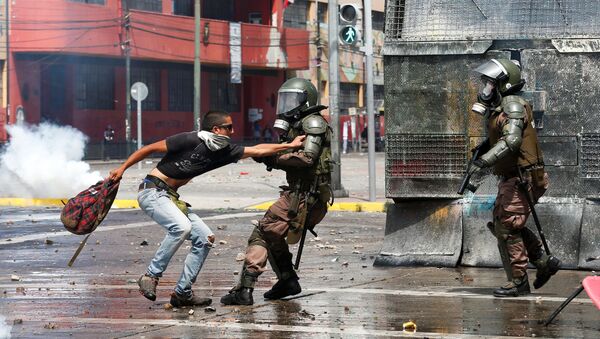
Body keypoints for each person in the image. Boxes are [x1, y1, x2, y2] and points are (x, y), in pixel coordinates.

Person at [108, 110, 306, 307]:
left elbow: (258, 149)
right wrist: (122, 169)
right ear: (216, 129)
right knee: (182, 227)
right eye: (229, 127)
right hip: (152, 191)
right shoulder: (189, 140)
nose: (233, 131)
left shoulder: (225, 151)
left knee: (205, 238)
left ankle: (182, 294)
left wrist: (290, 145)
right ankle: (150, 276)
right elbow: (149, 149)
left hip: (171, 197)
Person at [221, 78, 332, 306]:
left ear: (306, 99)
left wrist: (273, 158)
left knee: (262, 233)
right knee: (273, 235)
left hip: (302, 197)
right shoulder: (300, 123)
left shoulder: (312, 123)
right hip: (301, 195)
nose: (288, 104)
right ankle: (287, 280)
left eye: (294, 99)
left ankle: (244, 289)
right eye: (286, 99)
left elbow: (307, 158)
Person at [467, 58, 560, 297]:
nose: (486, 89)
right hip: (515, 176)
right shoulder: (502, 107)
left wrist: (484, 161)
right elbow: (502, 137)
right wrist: (485, 148)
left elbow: (512, 140)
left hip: (523, 177)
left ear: (504, 84)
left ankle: (519, 281)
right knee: (506, 223)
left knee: (506, 226)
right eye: (485, 84)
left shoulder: (512, 105)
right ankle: (541, 261)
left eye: (490, 84)